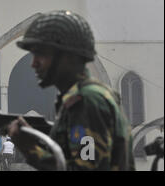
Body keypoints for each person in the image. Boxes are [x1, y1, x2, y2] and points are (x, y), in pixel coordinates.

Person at [8, 10, 135, 171]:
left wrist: (31, 150)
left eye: (41, 54)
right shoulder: (81, 99)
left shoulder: (88, 101)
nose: (34, 63)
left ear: (68, 56)